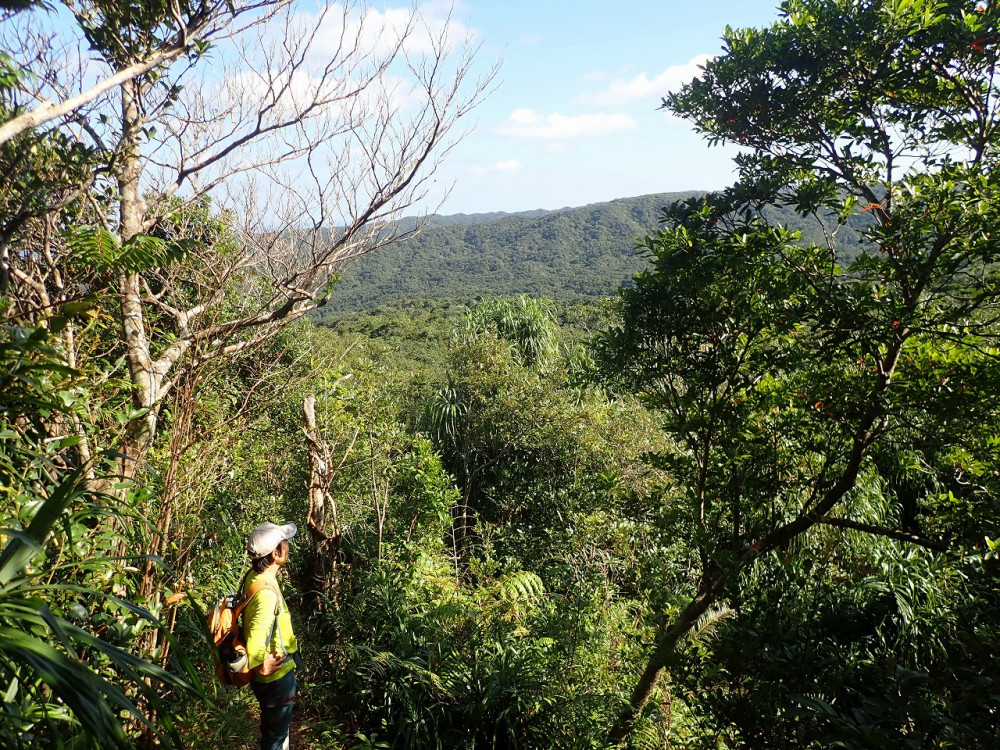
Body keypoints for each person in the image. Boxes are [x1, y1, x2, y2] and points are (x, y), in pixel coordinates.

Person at [243, 521, 302, 750]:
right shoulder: (266, 593)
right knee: (274, 740)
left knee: (275, 734)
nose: (287, 546)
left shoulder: (255, 576)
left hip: (272, 681)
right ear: (276, 554)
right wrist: (260, 664)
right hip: (276, 680)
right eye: (284, 543)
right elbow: (257, 637)